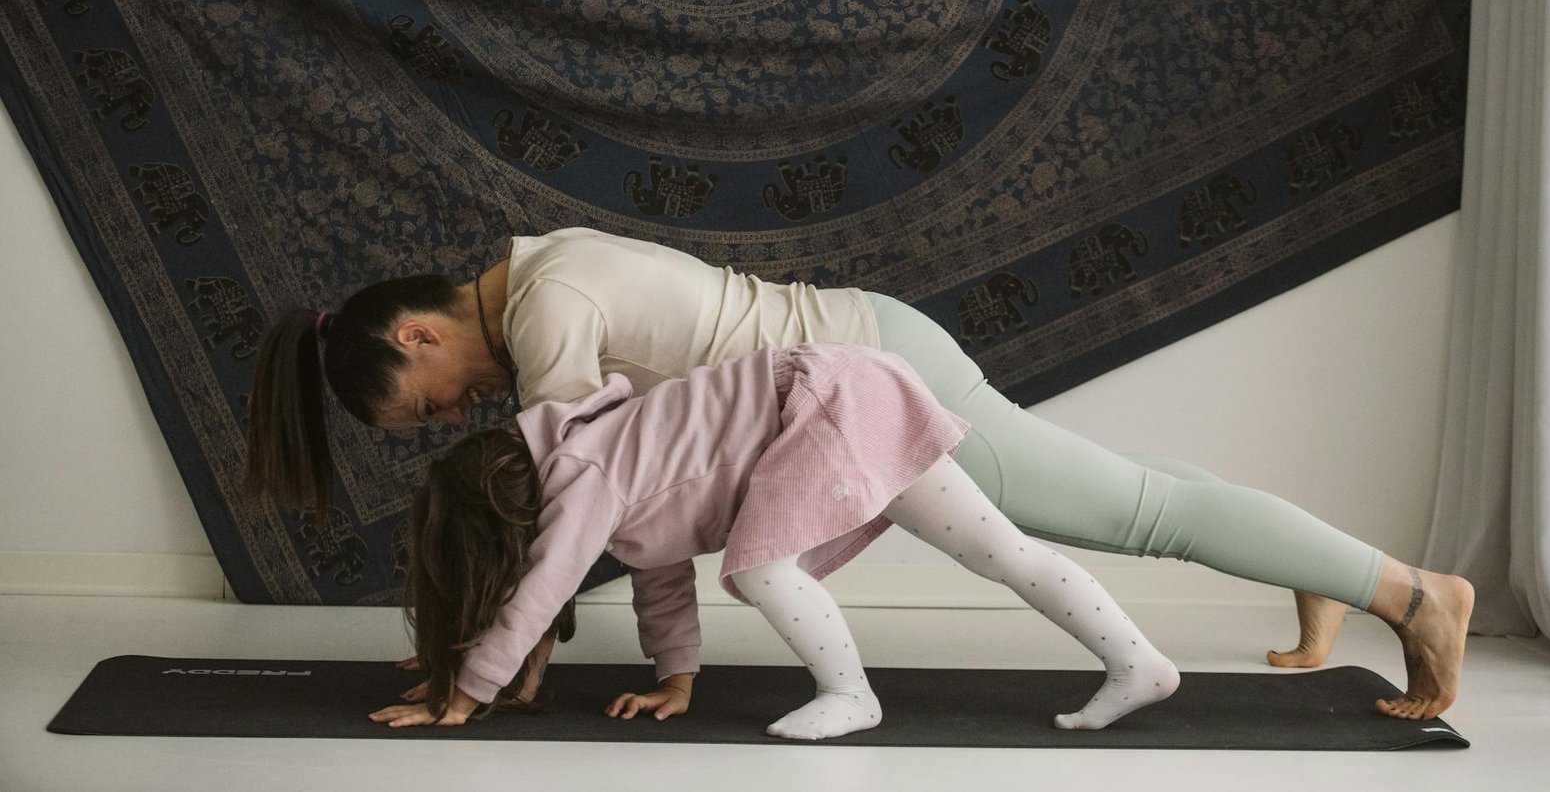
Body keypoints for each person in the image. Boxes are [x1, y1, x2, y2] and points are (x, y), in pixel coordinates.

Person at [249, 226, 1473, 721]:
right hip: (852, 360)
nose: (454, 412)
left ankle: (1415, 596)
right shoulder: (542, 275)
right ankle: (1328, 576)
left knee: (1129, 511)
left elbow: (584, 518)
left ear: (416, 334)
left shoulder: (548, 314)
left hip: (856, 378)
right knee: (1130, 489)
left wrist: (483, 670)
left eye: (431, 397)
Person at [368, 343, 1180, 736]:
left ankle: (850, 697)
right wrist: (676, 679)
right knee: (1002, 551)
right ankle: (1138, 662)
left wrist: (466, 694)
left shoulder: (582, 469)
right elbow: (660, 570)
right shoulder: (614, 465)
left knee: (760, 568)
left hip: (816, 401)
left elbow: (547, 584)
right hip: (848, 386)